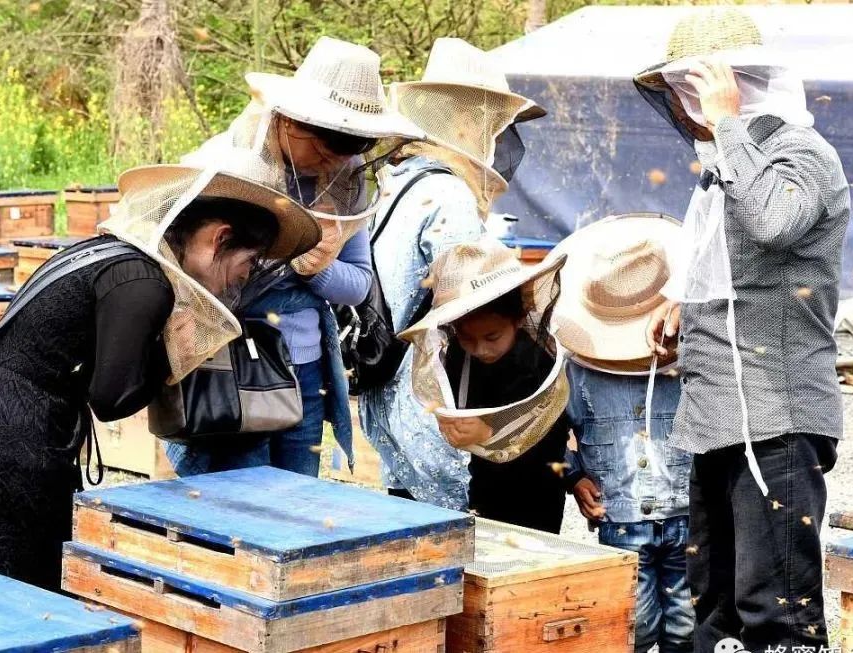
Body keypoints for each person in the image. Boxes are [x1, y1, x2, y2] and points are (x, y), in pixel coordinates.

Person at [0, 154, 320, 592]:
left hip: (5, 437)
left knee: (17, 591)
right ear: (220, 237)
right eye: (246, 264)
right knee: (33, 602)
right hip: (17, 451)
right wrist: (172, 356)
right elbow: (111, 399)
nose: (238, 280)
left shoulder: (112, 256)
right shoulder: (143, 283)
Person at [636, 8, 850, 651]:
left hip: (776, 417)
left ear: (736, 84)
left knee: (775, 616)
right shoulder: (724, 166)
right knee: (717, 610)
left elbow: (775, 224)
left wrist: (729, 121)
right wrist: (682, 305)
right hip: (719, 416)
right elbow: (731, 267)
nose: (682, 107)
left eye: (690, 89)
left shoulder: (800, 151)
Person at [168, 36, 422, 478]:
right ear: (289, 120)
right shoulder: (226, 167)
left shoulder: (347, 182)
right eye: (323, 149)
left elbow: (360, 284)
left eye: (346, 151)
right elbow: (175, 264)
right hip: (226, 364)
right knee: (234, 502)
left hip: (305, 370)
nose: (330, 166)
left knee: (297, 504)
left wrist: (318, 268)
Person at [360, 38, 546, 511]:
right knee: (455, 543)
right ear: (468, 119)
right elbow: (469, 293)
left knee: (407, 527)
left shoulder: (395, 183)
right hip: (430, 402)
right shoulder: (449, 194)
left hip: (386, 394)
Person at [554, 214, 694, 653]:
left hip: (689, 517)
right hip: (621, 521)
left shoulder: (696, 362)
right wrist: (573, 478)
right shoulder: (577, 373)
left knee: (687, 629)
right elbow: (551, 434)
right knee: (634, 628)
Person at [400, 238, 571, 532]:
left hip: (536, 497)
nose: (480, 349)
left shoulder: (536, 360)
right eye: (468, 338)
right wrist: (453, 426)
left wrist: (490, 432)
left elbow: (550, 433)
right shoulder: (458, 356)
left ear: (516, 320)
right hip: (483, 487)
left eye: (492, 337)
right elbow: (455, 404)